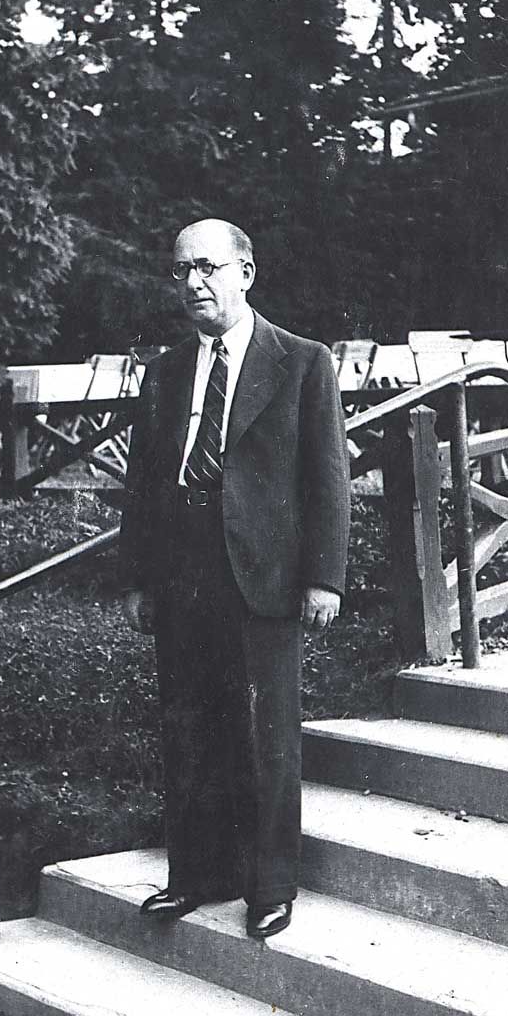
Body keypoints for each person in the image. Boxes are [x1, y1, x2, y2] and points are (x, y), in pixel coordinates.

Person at [118, 218, 350, 938]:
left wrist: (324, 579)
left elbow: (328, 479)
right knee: (189, 727)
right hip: (182, 571)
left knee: (264, 736)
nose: (194, 283)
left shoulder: (302, 362)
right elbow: (142, 483)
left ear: (245, 273)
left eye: (208, 268)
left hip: (263, 575)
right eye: (182, 270)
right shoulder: (164, 371)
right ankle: (196, 875)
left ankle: (269, 887)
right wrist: (137, 578)